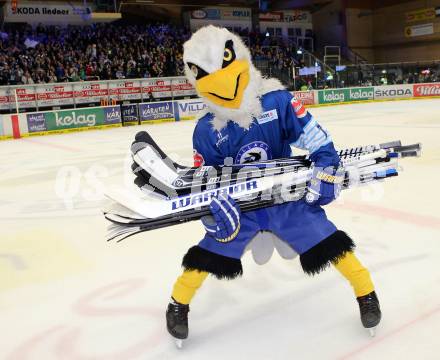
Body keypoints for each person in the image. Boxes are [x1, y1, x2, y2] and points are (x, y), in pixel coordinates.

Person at [166, 26, 381, 345]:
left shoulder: (277, 101)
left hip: (286, 198)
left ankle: (366, 293)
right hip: (242, 209)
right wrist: (213, 214)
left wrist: (325, 169)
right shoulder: (205, 131)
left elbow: (317, 140)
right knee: (208, 253)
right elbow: (205, 185)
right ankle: (177, 303)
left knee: (328, 239)